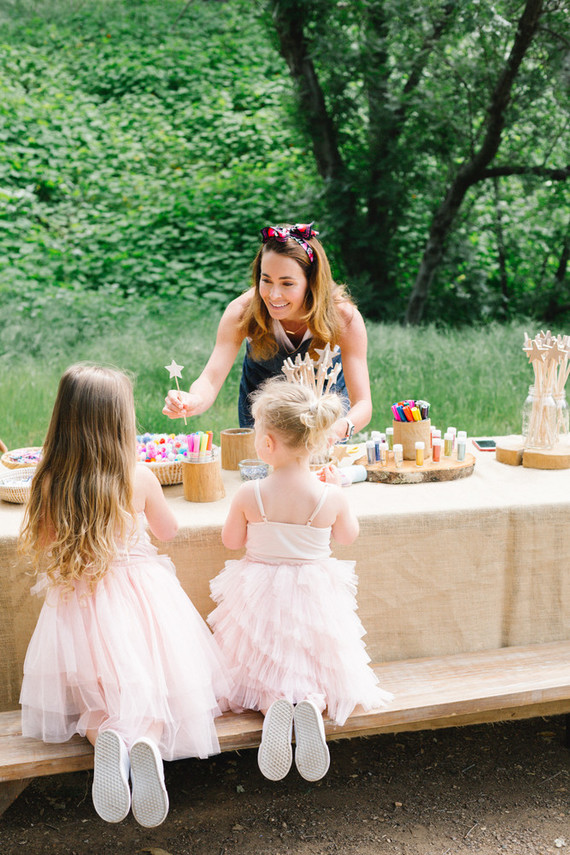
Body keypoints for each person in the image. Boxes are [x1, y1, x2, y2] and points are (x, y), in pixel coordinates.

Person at [19, 364, 232, 828]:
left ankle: (108, 745)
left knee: (97, 703)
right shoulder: (139, 476)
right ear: (121, 421)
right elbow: (168, 531)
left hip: (81, 605)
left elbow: (43, 542)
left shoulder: (50, 480)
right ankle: (147, 750)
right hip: (143, 600)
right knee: (153, 695)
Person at [207, 378, 392, 783]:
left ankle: (276, 704)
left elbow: (231, 541)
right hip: (314, 589)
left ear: (268, 444)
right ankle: (309, 701)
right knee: (309, 654)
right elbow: (346, 537)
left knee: (266, 655)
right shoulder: (330, 496)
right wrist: (336, 490)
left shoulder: (249, 493)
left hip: (260, 589)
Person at [163, 223, 371, 442]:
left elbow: (363, 403)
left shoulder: (344, 318)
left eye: (287, 283)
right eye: (266, 280)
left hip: (326, 419)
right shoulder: (242, 312)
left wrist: (341, 428)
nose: (274, 295)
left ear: (311, 283)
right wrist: (193, 399)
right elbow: (211, 379)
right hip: (263, 417)